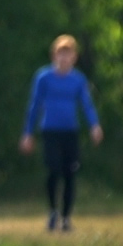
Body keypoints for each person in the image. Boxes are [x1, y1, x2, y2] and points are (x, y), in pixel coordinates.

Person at [19, 34, 103, 232]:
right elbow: (35, 105)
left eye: (68, 54)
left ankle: (66, 217)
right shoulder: (44, 78)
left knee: (70, 174)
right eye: (60, 54)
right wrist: (27, 133)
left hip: (70, 131)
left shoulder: (78, 80)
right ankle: (52, 211)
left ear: (74, 57)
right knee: (53, 170)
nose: (64, 58)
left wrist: (94, 125)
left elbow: (86, 104)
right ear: (54, 56)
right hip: (50, 131)